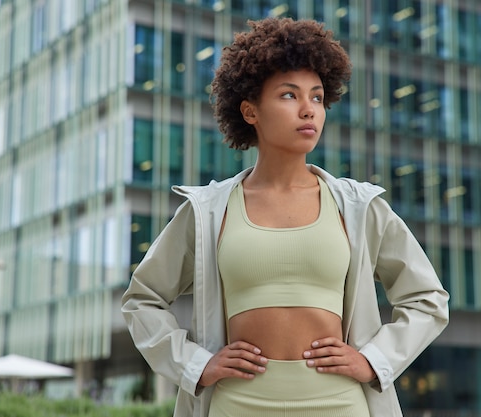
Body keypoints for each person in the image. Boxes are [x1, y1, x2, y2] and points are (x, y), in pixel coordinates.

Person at [122, 17, 449, 417]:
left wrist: (374, 361)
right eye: (289, 96)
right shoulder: (208, 210)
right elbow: (143, 299)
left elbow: (427, 299)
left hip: (340, 405)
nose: (308, 110)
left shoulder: (360, 206)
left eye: (316, 97)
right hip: (237, 405)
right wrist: (196, 364)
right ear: (250, 110)